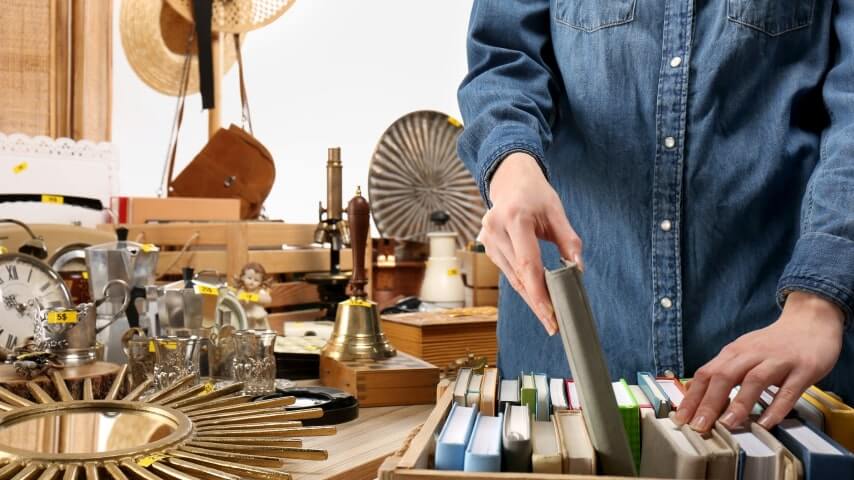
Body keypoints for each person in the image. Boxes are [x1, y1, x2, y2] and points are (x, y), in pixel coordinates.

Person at [457, 0, 853, 433]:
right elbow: (503, 59)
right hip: (566, 356)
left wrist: (818, 301)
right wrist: (511, 164)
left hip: (774, 353)